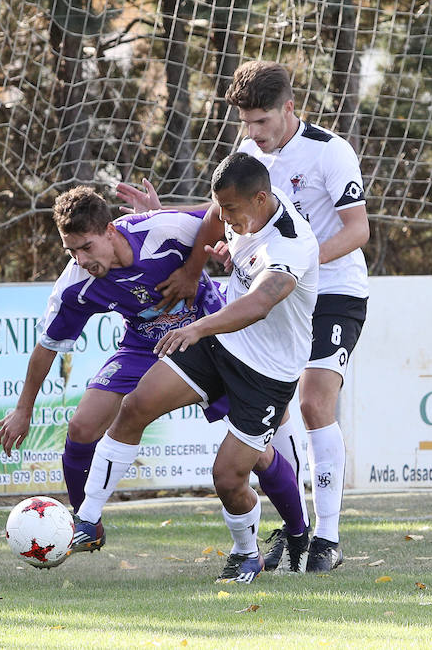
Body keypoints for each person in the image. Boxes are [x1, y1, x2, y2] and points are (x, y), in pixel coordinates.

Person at [117, 60, 369, 573]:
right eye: (246, 124)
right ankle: (293, 531)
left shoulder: (330, 151)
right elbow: (226, 216)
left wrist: (291, 267)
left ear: (289, 109)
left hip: (333, 288)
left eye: (262, 122)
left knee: (316, 400)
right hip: (272, 291)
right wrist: (163, 215)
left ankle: (327, 538)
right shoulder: (249, 156)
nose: (253, 133)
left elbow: (357, 229)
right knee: (270, 428)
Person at [74, 153, 319, 584]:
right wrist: (160, 217)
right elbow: (208, 215)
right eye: (220, 207)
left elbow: (261, 304)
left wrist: (197, 328)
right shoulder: (241, 206)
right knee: (135, 407)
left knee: (228, 476)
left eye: (232, 212)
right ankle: (87, 520)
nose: (223, 218)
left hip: (266, 373)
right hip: (220, 344)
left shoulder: (293, 243)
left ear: (262, 199)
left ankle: (253, 551)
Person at [0, 186, 227, 521]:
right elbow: (46, 347)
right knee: (81, 428)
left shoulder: (161, 229)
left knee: (253, 450)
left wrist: (193, 270)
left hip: (206, 337)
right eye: (72, 252)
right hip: (144, 345)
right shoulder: (76, 285)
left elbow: (222, 211)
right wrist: (23, 410)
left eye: (87, 247)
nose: (82, 260)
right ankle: (84, 525)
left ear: (110, 230)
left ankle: (299, 532)